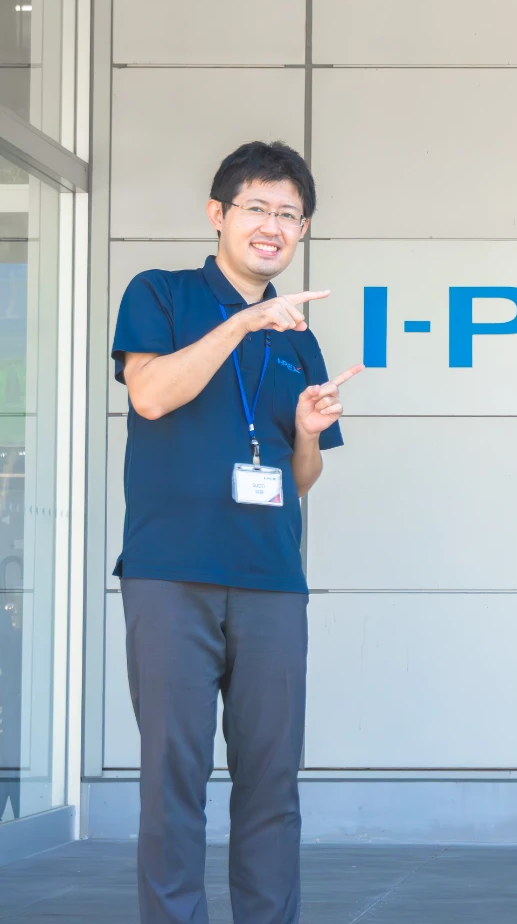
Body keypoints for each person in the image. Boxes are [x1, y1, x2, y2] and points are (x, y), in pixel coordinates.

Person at [112, 141, 361, 924]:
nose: (274, 226)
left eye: (290, 214)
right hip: (171, 575)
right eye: (258, 208)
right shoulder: (161, 293)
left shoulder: (299, 337)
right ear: (217, 214)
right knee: (173, 782)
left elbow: (300, 479)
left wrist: (309, 434)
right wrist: (244, 322)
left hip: (271, 582)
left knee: (271, 784)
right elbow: (151, 395)